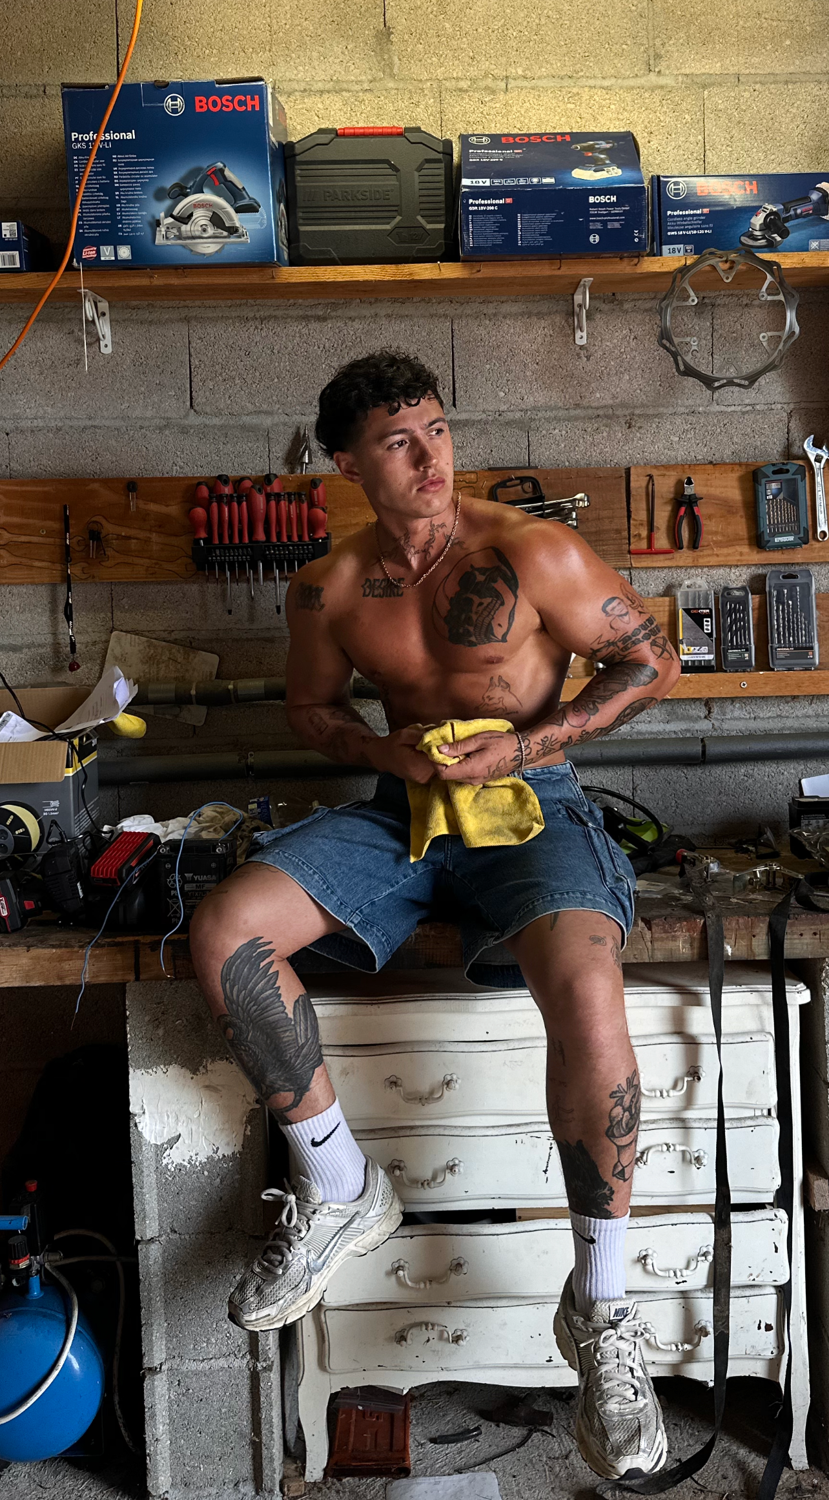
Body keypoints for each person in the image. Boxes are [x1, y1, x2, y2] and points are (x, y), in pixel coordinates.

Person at [189, 350, 681, 1481]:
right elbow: (312, 709)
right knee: (225, 932)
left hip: (535, 801)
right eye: (397, 442)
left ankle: (601, 1309)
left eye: (437, 430)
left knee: (587, 987)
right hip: (401, 807)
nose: (428, 458)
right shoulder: (326, 585)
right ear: (347, 464)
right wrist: (385, 751)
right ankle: (340, 1188)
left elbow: (650, 662)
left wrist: (531, 742)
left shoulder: (530, 551)